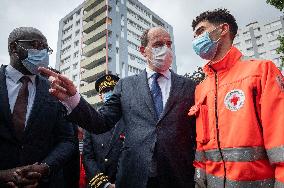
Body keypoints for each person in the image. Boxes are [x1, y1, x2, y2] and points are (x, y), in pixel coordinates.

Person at [39, 26, 196, 188]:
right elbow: (101, 122)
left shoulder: (189, 86)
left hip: (178, 176)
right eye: (158, 44)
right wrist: (73, 98)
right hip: (134, 178)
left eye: (169, 44)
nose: (165, 49)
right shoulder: (126, 86)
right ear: (143, 51)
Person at [188, 8, 284, 187]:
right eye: (194, 36)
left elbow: (280, 138)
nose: (196, 41)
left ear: (223, 29)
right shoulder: (201, 88)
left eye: (200, 31)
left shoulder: (261, 71)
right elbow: (201, 146)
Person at [0, 27, 76, 187]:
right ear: (14, 48)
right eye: (36, 45)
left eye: (46, 48)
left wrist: (45, 168)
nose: (43, 53)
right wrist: (3, 176)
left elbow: (67, 139)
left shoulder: (54, 90)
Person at [83, 74, 125, 188]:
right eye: (106, 91)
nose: (110, 93)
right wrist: (104, 184)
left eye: (113, 90)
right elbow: (88, 157)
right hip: (99, 183)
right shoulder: (91, 119)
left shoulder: (129, 118)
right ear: (100, 96)